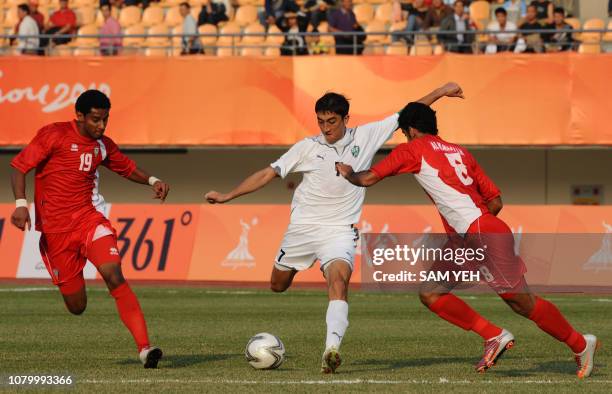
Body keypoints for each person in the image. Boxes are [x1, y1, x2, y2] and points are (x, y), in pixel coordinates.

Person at [205, 82, 465, 373]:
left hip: (339, 230)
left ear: (345, 120)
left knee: (338, 283)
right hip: (302, 229)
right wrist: (228, 196)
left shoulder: (366, 136)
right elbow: (268, 173)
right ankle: (301, 294)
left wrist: (441, 91)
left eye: (331, 121)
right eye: (321, 121)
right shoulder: (307, 147)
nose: (326, 128)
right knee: (277, 285)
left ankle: (331, 350)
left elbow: (407, 112)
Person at [335, 101, 599, 378]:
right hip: (477, 232)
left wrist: (348, 172)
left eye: (403, 132)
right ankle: (493, 336)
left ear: (410, 130)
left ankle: (581, 344)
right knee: (432, 292)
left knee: (521, 302)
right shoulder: (460, 151)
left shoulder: (413, 149)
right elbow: (495, 200)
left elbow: (367, 179)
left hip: (479, 233)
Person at [10, 90, 169, 368]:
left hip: (89, 220)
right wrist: (21, 204)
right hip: (56, 232)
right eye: (96, 120)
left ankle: (145, 348)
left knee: (113, 273)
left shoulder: (103, 145)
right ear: (80, 116)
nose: (102, 126)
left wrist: (153, 180)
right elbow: (19, 167)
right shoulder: (53, 135)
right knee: (77, 306)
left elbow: (127, 167)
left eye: (105, 119)